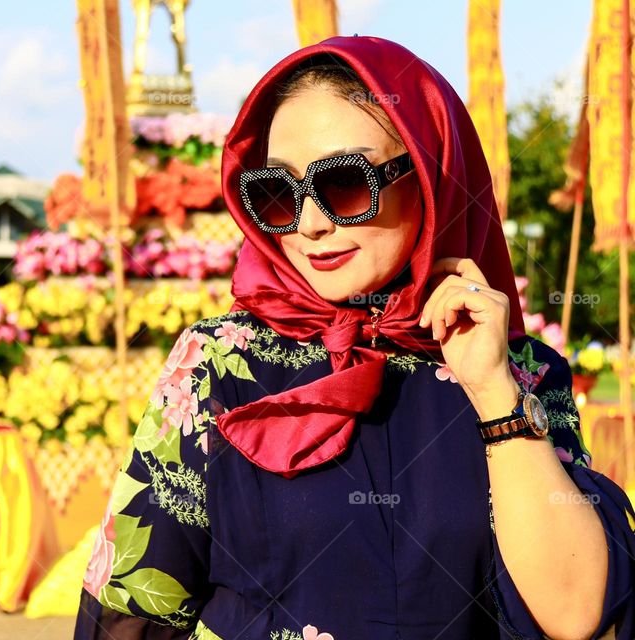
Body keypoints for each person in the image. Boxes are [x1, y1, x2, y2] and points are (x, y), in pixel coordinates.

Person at [74, 38, 635, 639]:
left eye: (344, 182)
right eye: (277, 192)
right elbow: (135, 609)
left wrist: (495, 395)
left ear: (428, 175)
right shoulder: (219, 363)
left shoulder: (519, 371)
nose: (310, 222)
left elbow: (575, 613)